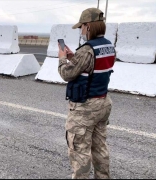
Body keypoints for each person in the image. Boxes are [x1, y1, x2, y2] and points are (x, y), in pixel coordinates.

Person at [57, 8, 116, 179]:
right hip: (103, 102)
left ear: (88, 26)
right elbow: (92, 66)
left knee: (79, 150)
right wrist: (73, 56)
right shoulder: (108, 46)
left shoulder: (87, 49)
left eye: (82, 26)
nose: (81, 30)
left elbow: (67, 74)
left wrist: (62, 58)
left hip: (86, 107)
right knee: (100, 147)